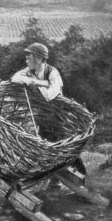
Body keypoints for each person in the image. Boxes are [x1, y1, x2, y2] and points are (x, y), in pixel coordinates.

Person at [11, 42, 87, 183]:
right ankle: (54, 182)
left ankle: (83, 180)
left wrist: (34, 84)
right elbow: (15, 79)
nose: (26, 59)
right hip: (42, 118)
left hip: (58, 118)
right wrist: (39, 83)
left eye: (29, 56)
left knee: (67, 150)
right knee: (48, 150)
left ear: (39, 59)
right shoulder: (29, 71)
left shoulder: (52, 73)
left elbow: (51, 95)